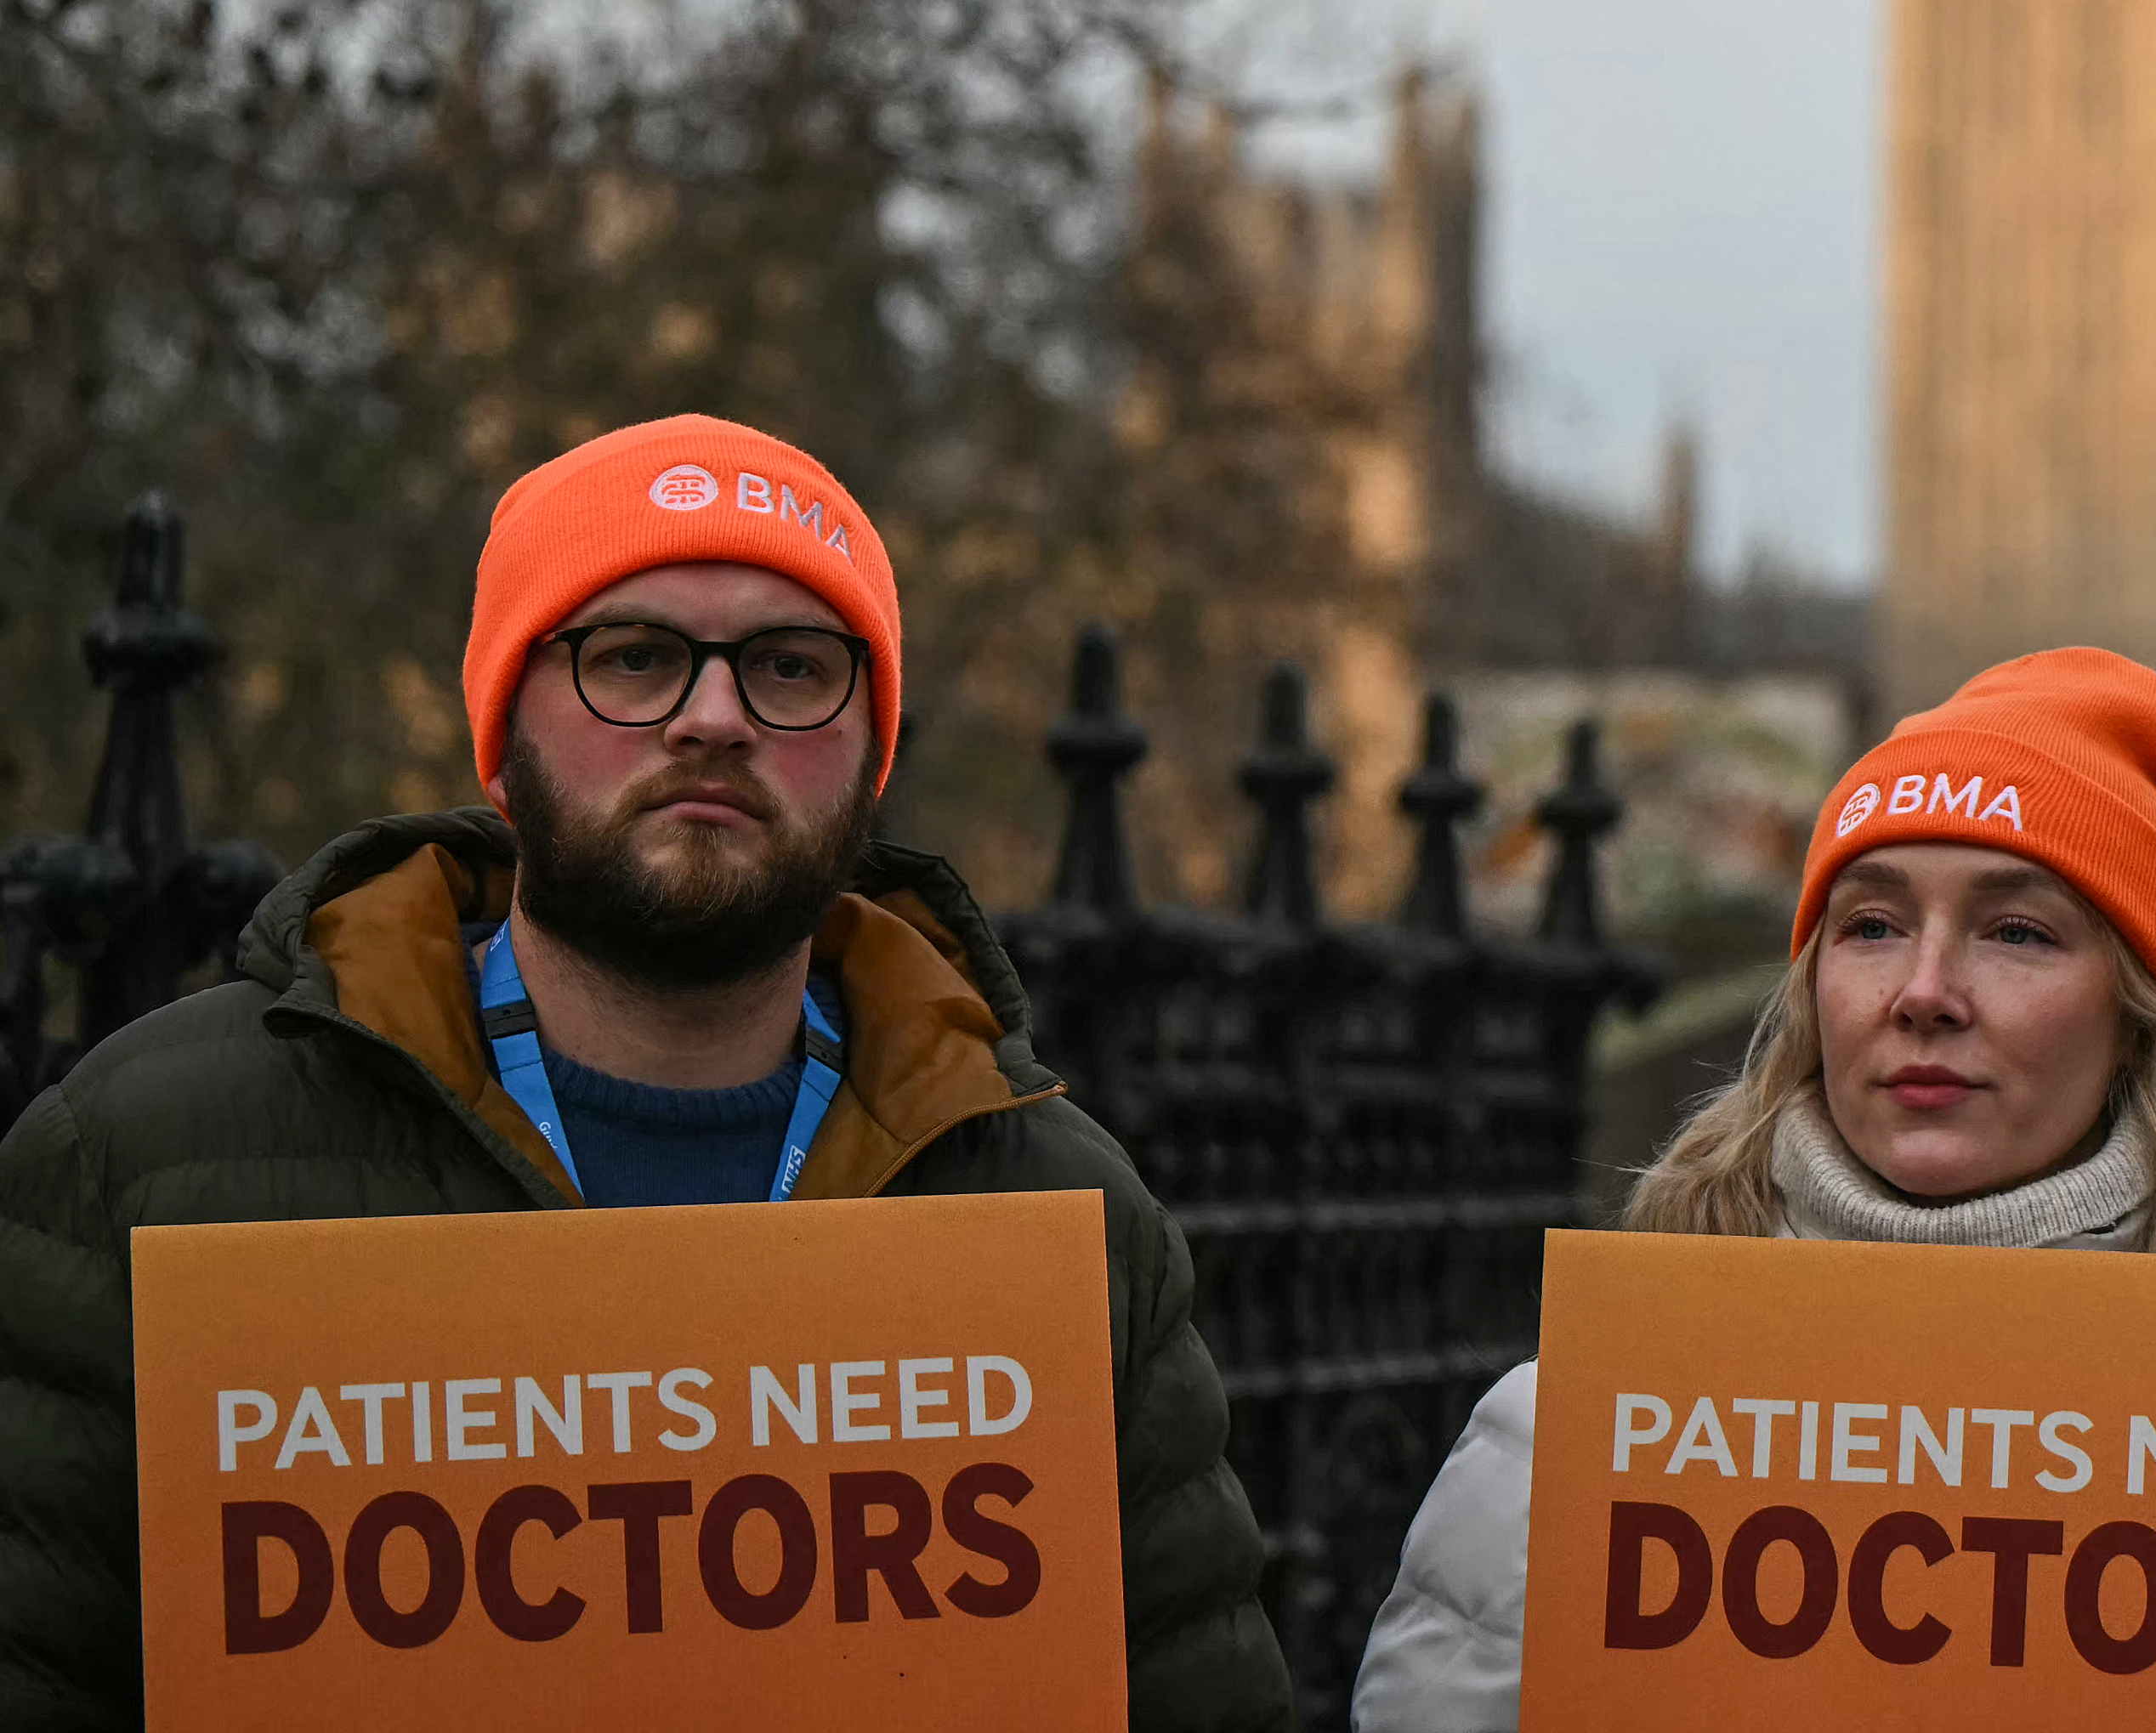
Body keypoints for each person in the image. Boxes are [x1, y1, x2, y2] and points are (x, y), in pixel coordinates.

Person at [0, 415, 1287, 1729]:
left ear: (870, 753)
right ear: (503, 741)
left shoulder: (1063, 1217)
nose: (714, 716)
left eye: (791, 666)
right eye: (633, 657)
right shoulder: (137, 1160)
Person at [1353, 648, 2156, 1730]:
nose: (1923, 989)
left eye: (2015, 931)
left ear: (2140, 1023)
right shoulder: (1573, 1438)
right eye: (1870, 923)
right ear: (1816, 992)